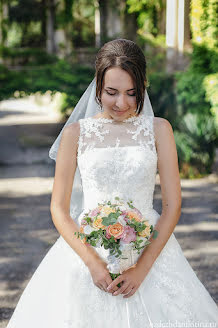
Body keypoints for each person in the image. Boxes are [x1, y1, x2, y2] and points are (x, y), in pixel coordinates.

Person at [6, 39, 218, 328]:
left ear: (143, 85)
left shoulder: (159, 130)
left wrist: (141, 270)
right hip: (86, 250)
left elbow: (172, 205)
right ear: (98, 87)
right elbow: (59, 208)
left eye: (132, 93)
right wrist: (93, 264)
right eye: (111, 92)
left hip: (149, 247)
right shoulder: (75, 134)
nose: (122, 103)